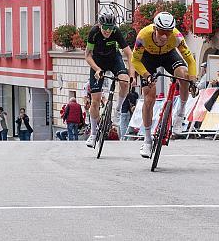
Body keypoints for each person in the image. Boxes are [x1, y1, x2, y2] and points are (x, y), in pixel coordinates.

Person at [131, 11, 197, 158]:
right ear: (155, 29)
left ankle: (180, 113)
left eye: (168, 32)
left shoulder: (177, 37)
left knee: (184, 75)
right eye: (161, 32)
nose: (165, 36)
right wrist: (147, 75)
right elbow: (135, 61)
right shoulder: (143, 36)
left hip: (168, 55)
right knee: (149, 98)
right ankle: (147, 141)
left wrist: (193, 79)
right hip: (148, 58)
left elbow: (191, 61)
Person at [83, 13, 134, 148]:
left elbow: (129, 54)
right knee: (95, 100)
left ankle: (118, 109)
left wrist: (132, 75)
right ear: (100, 25)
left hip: (113, 59)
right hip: (97, 62)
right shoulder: (94, 32)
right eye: (105, 27)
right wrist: (97, 69)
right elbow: (87, 55)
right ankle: (93, 134)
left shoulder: (116, 32)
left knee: (124, 81)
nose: (107, 30)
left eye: (110, 28)